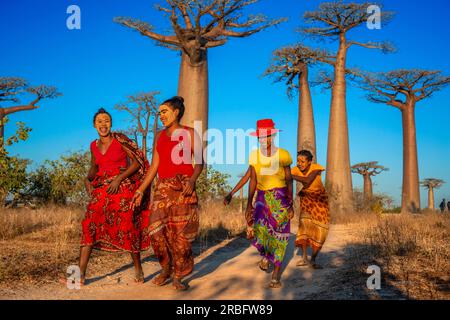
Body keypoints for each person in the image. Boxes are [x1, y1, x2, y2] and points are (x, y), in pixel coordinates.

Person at [132, 96, 204, 291]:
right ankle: (165, 267)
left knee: (180, 237)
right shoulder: (159, 136)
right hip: (163, 189)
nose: (161, 115)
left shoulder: (190, 133)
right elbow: (154, 166)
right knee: (155, 230)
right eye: (160, 112)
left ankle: (178, 275)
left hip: (183, 188)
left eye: (164, 111)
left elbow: (199, 163)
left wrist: (192, 180)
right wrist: (140, 189)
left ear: (176, 112)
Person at [80, 108, 150, 285]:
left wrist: (119, 178)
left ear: (111, 124)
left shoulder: (120, 140)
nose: (103, 124)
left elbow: (136, 162)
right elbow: (94, 167)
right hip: (102, 189)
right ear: (94, 125)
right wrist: (87, 180)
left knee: (128, 226)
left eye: (106, 121)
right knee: (89, 225)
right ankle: (79, 275)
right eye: (99, 121)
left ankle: (138, 269)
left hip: (122, 187)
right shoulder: (93, 145)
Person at [245, 119, 294, 289]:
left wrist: (290, 203)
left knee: (281, 235)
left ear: (272, 136)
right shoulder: (254, 156)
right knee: (262, 233)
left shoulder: (283, 154)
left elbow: (289, 179)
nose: (263, 139)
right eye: (260, 136)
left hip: (280, 199)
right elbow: (253, 180)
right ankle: (266, 256)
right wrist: (248, 204)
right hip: (261, 199)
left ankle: (275, 275)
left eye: (266, 136)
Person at [291, 150, 329, 269]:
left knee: (322, 229)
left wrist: (289, 175)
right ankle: (304, 258)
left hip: (320, 200)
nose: (299, 163)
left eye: (302, 161)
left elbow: (307, 180)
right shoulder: (295, 170)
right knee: (304, 226)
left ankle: (313, 259)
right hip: (307, 199)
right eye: (298, 161)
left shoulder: (316, 168)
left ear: (309, 162)